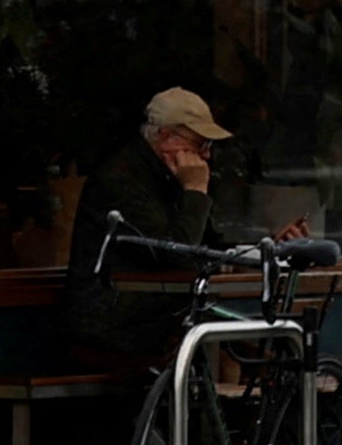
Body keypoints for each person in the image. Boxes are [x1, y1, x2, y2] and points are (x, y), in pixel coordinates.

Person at [59, 85, 235, 372]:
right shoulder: (120, 181)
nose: (206, 157)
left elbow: (209, 246)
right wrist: (195, 192)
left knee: (248, 342)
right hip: (111, 323)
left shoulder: (171, 176)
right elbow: (176, 254)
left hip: (154, 313)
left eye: (208, 146)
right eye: (199, 145)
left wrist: (263, 248)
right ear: (165, 136)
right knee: (224, 347)